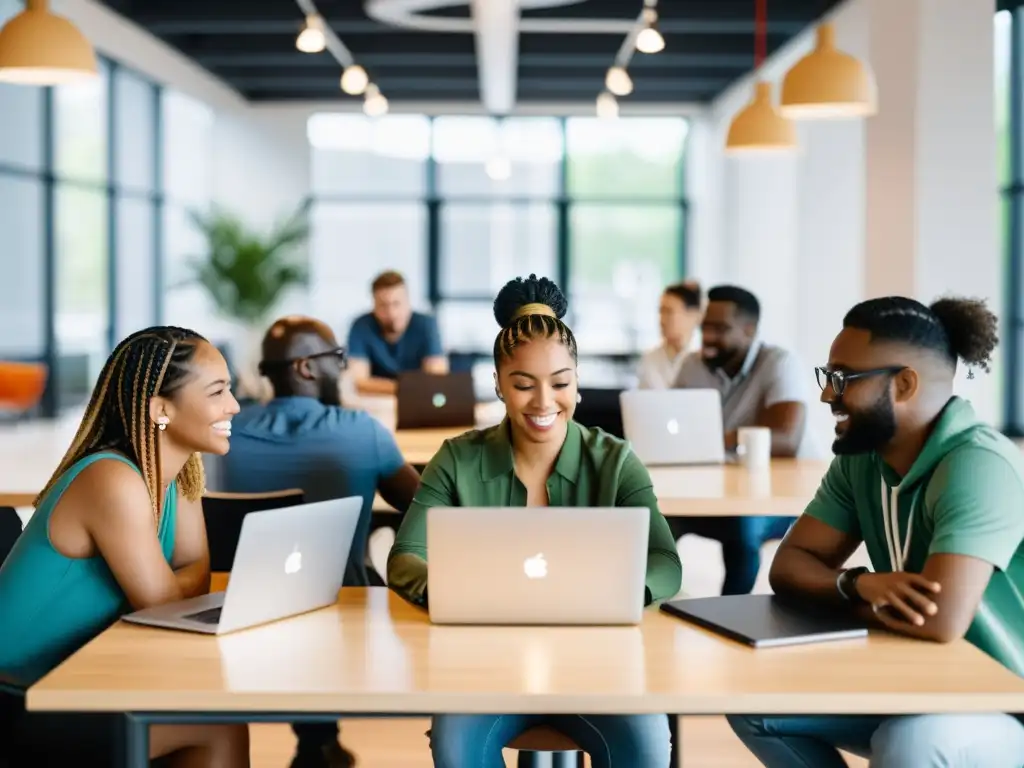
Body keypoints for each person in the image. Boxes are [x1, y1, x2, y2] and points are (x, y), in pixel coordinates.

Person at [388, 274, 682, 768]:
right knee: (456, 747)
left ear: (577, 383)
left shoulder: (614, 460)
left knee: (649, 747)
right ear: (499, 385)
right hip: (483, 667)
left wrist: (609, 596)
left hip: (598, 666)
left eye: (561, 383)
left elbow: (666, 562)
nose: (544, 402)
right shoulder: (457, 460)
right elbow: (405, 560)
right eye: (523, 385)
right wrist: (465, 593)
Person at [728, 295, 1024, 767]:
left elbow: (940, 619)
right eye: (827, 377)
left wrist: (845, 599)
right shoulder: (862, 458)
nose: (827, 395)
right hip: (918, 680)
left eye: (842, 378)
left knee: (912, 742)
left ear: (904, 384)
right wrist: (859, 582)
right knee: (754, 704)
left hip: (1003, 700)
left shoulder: (978, 465)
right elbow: (789, 567)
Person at [0, 327, 249, 767]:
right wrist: (168, 588)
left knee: (212, 709)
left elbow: (193, 578)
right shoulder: (111, 480)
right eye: (217, 392)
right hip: (21, 698)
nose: (234, 405)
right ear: (161, 409)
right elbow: (165, 605)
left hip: (80, 676)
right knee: (218, 723)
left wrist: (169, 587)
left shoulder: (180, 471)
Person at [220, 315, 421, 768]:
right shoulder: (361, 431)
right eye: (338, 359)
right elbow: (423, 506)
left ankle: (316, 742)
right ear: (307, 368)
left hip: (231, 608)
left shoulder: (224, 435)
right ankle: (318, 741)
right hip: (338, 611)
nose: (344, 369)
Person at [669, 285, 810, 595]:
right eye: (705, 326)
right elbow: (670, 425)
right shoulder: (692, 366)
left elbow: (785, 440)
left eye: (720, 329)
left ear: (750, 330)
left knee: (742, 527)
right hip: (716, 487)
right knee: (658, 517)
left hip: (774, 496)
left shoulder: (779, 364)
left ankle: (729, 611)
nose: (708, 336)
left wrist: (714, 437)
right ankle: (653, 597)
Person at [346, 270, 447, 395]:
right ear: (374, 305)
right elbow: (359, 383)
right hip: (378, 401)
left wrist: (382, 386)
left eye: (397, 304)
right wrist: (409, 388)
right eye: (383, 305)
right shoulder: (361, 326)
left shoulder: (427, 325)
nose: (391, 313)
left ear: (408, 302)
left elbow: (436, 380)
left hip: (416, 401)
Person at [637, 280, 703, 389]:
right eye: (661, 312)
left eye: (669, 312)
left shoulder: (703, 360)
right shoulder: (649, 360)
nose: (662, 320)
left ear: (693, 315)